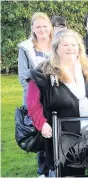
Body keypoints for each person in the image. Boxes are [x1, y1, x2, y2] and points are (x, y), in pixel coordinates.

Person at [25, 30, 88, 176]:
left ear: (79, 48)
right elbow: (32, 104)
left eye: (74, 45)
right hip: (65, 137)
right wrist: (41, 124)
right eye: (65, 45)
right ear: (56, 48)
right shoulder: (43, 72)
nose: (70, 48)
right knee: (70, 172)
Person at [17, 12, 53, 177]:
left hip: (56, 96)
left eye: (45, 26)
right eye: (38, 26)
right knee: (42, 134)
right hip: (37, 99)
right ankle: (44, 170)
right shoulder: (26, 48)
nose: (42, 29)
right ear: (32, 28)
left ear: (50, 27)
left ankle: (60, 164)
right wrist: (33, 99)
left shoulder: (58, 44)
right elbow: (24, 76)